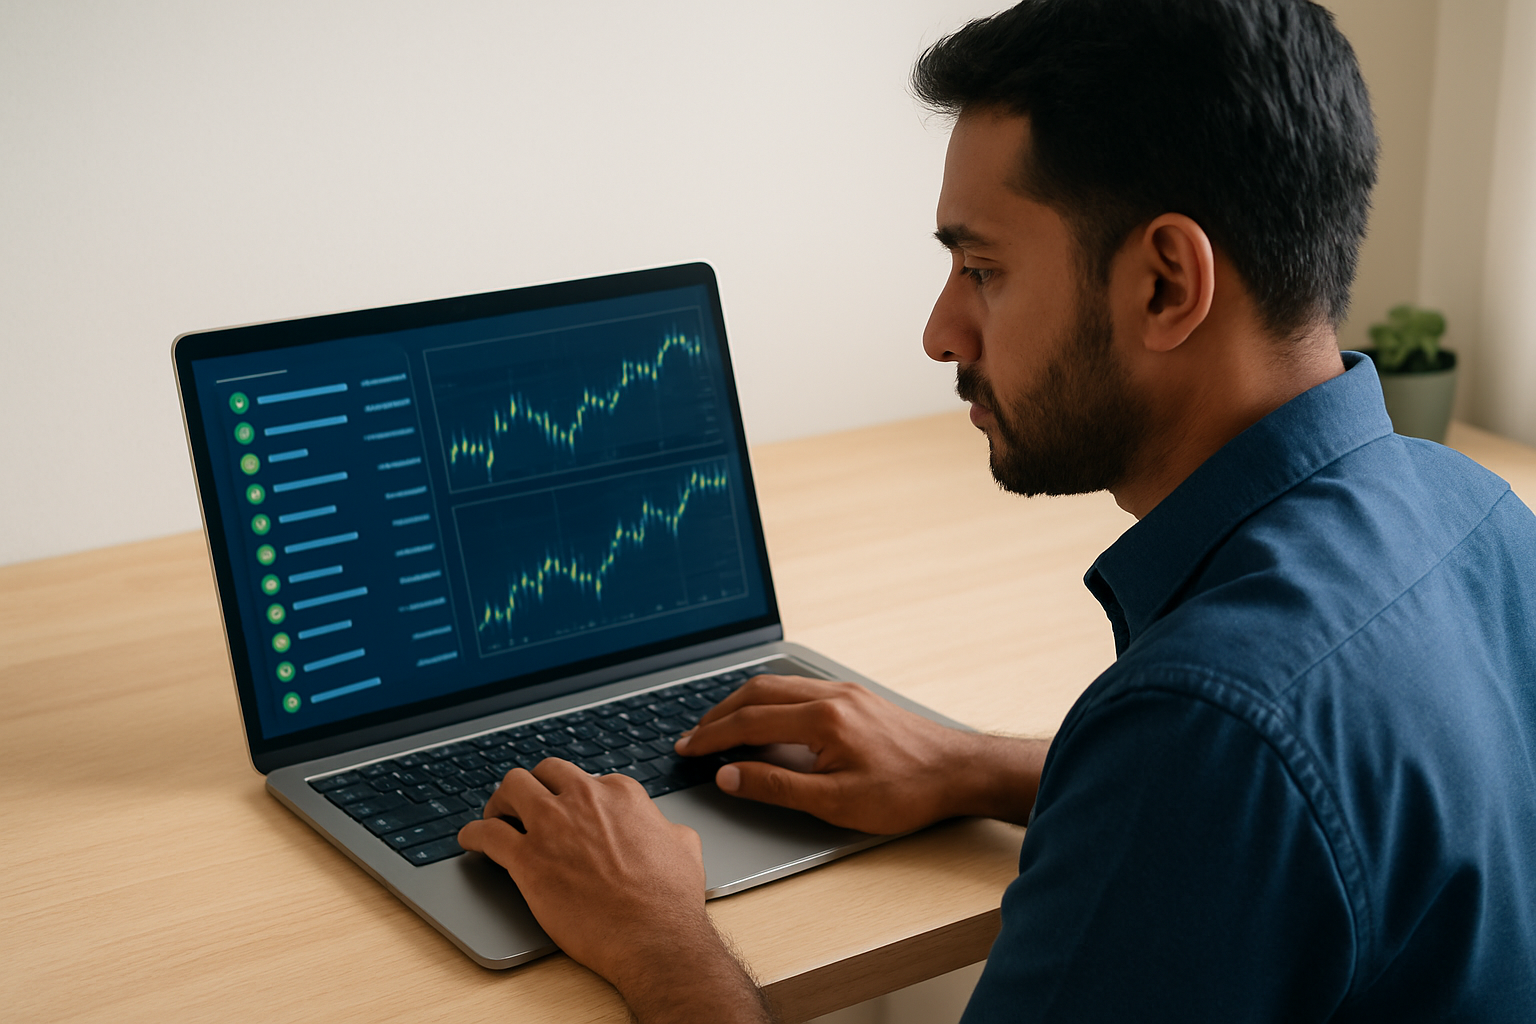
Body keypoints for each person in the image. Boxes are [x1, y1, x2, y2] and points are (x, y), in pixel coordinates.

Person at [459, 1, 1536, 1020]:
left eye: (984, 270)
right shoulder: (1477, 514)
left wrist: (653, 932)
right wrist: (973, 765)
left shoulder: (1207, 727)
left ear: (1167, 283)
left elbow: (1224, 762)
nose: (941, 332)